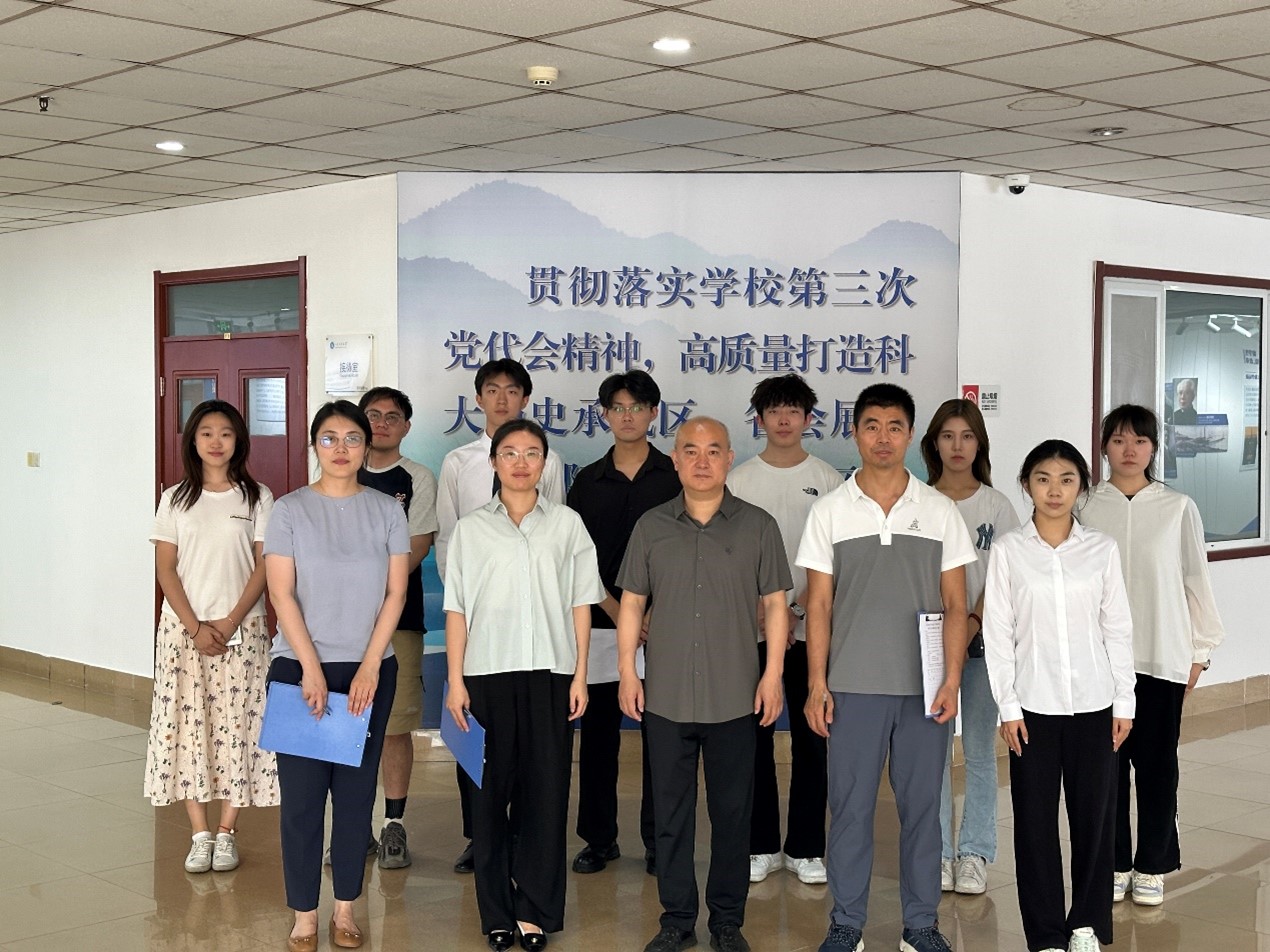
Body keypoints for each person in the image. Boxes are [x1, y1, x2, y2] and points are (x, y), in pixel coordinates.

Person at [799, 383, 975, 952]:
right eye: (871, 425)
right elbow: (818, 605)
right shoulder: (829, 511)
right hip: (852, 687)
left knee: (923, 811)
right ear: (855, 433)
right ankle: (846, 924)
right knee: (850, 811)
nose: (882, 437)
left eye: (894, 426)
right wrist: (817, 683)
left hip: (925, 689)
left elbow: (956, 604)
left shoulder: (940, 511)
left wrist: (952, 679)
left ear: (909, 435)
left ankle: (921, 925)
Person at [618, 417, 792, 952]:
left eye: (713, 451)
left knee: (732, 816)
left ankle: (726, 922)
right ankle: (676, 919)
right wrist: (627, 670)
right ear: (674, 459)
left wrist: (773, 675)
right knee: (670, 816)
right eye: (690, 451)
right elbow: (632, 602)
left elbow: (776, 605)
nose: (701, 461)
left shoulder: (758, 526)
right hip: (666, 696)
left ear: (729, 459)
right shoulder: (650, 526)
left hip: (735, 695)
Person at [444, 419, 603, 952]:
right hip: (484, 677)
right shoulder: (470, 530)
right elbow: (457, 608)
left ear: (545, 463)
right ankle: (496, 911)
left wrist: (580, 675)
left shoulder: (568, 525)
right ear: (493, 462)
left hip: (551, 676)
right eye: (509, 452)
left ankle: (534, 911)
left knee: (545, 795)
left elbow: (581, 604)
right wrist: (455, 681)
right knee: (487, 799)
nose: (520, 462)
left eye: (532, 453)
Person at [265, 401, 410, 952]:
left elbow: (396, 592)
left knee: (354, 796)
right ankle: (304, 913)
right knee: (302, 801)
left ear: (366, 446)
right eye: (329, 438)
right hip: (298, 669)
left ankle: (345, 908)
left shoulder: (387, 510)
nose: (341, 448)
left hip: (369, 669)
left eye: (352, 438)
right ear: (314, 446)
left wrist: (371, 663)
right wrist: (309, 668)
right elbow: (281, 593)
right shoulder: (289, 510)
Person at [983, 440, 1136, 952]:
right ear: (1026, 484)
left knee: (1094, 818)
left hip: (1095, 704)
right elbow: (999, 634)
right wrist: (1007, 706)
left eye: (1067, 479)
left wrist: (1125, 701)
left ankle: (1086, 923)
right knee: (1034, 824)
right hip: (1032, 707)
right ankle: (1046, 933)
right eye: (1043, 479)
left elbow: (1117, 628)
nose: (1055, 490)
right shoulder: (1009, 551)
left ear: (1081, 488)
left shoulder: (1101, 550)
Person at [1079, 405, 1224, 907]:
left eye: (1140, 441)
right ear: (1104, 447)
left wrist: (1200, 651)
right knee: (1107, 768)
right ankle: (1116, 862)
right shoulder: (1086, 506)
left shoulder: (1177, 507)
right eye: (1119, 440)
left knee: (1158, 766)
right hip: (1101, 661)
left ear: (1154, 449)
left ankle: (1153, 865)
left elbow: (1195, 578)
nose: (1130, 450)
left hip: (1162, 656)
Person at [437, 358, 565, 873]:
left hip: (534, 629)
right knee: (476, 736)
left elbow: (551, 535)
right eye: (492, 390)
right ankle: (480, 835)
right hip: (478, 621)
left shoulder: (549, 461)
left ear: (525, 399)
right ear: (478, 398)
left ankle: (522, 838)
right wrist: (465, 606)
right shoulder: (457, 463)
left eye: (513, 390)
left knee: (529, 752)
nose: (502, 399)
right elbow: (448, 539)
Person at [145, 399, 277, 875]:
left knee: (241, 726)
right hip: (183, 634)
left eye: (225, 433)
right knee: (188, 726)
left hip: (245, 630)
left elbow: (265, 564)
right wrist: (196, 627)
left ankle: (227, 832)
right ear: (193, 441)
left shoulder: (258, 497)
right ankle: (199, 834)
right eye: (206, 433)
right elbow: (165, 568)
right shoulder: (175, 499)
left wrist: (230, 621)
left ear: (239, 440)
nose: (216, 441)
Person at [727, 374, 842, 886]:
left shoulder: (829, 479)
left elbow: (837, 557)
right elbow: (727, 552)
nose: (784, 419)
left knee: (812, 737)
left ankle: (806, 848)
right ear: (760, 419)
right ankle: (761, 846)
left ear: (808, 419)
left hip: (811, 628)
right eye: (774, 410)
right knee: (753, 738)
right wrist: (759, 607)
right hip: (751, 630)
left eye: (793, 410)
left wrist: (796, 609)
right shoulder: (739, 480)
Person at [566, 370, 680, 877]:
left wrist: (653, 610)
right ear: (604, 415)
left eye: (637, 407)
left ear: (654, 412)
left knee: (663, 739)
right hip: (601, 623)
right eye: (618, 407)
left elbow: (688, 549)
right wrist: (617, 608)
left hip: (667, 626)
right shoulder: (587, 481)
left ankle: (660, 841)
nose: (627, 416)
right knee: (598, 739)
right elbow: (576, 557)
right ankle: (599, 839)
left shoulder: (675, 476)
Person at [918, 399, 1020, 896]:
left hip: (982, 644)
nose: (957, 446)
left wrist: (975, 620)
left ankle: (975, 852)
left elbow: (1006, 572)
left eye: (967, 436)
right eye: (947, 436)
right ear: (933, 444)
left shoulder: (997, 506)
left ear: (980, 444)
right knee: (932, 754)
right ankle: (937, 852)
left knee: (979, 752)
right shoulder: (918, 500)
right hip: (928, 646)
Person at [356, 386, 439, 870]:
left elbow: (419, 545)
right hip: (339, 623)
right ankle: (355, 827)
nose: (382, 423)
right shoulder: (341, 471)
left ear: (406, 426)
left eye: (392, 417)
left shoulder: (417, 478)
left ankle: (393, 824)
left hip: (399, 619)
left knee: (394, 725)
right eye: (373, 415)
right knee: (348, 723)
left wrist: (373, 594)